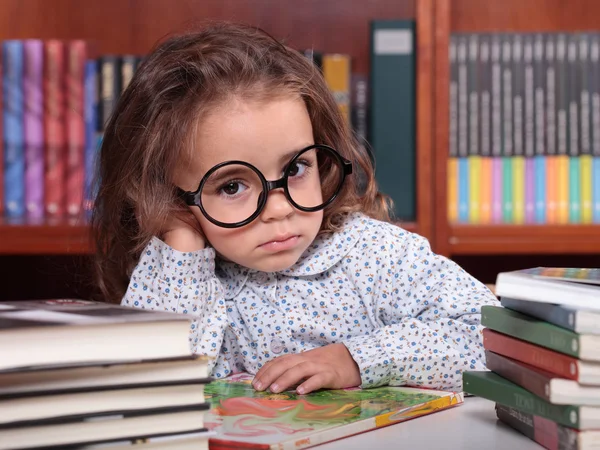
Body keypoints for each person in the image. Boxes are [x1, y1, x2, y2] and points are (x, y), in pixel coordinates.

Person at [92, 22, 498, 396]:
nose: (280, 208)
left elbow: (492, 337)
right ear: (171, 195)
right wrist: (182, 245)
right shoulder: (180, 276)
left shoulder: (376, 257)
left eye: (296, 168)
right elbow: (145, 385)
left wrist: (358, 360)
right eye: (232, 186)